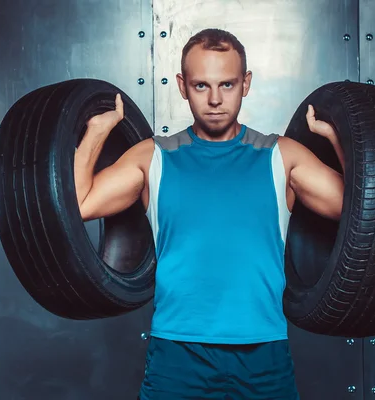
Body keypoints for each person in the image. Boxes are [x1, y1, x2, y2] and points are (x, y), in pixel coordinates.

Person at [74, 28, 345, 400]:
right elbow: (79, 204)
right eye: (202, 86)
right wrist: (96, 132)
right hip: (177, 351)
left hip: (262, 350)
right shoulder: (153, 157)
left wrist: (338, 137)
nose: (215, 100)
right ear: (183, 86)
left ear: (246, 83)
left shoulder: (281, 155)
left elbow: (360, 209)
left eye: (227, 85)